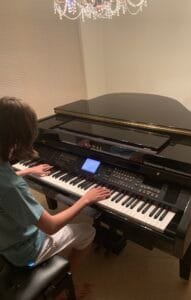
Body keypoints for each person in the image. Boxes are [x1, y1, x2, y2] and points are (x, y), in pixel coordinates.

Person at [0, 96, 111, 298]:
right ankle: (66, 284)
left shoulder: (4, 171)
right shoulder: (11, 187)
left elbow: (5, 179)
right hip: (23, 251)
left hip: (6, 237)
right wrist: (85, 199)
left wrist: (27, 171)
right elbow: (50, 226)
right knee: (87, 231)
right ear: (17, 139)